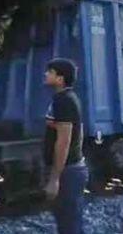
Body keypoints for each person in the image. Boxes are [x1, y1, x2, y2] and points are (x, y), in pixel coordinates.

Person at [43, 59, 88, 234]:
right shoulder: (64, 99)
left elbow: (63, 141)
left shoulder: (64, 101)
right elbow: (78, 131)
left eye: (50, 72)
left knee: (69, 226)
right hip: (71, 169)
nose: (46, 74)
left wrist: (55, 179)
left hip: (68, 172)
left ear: (60, 79)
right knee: (69, 223)